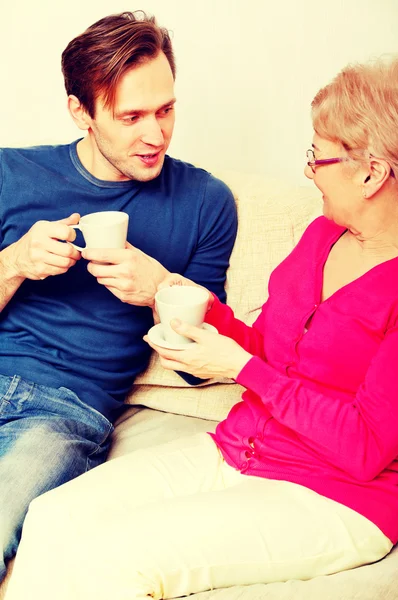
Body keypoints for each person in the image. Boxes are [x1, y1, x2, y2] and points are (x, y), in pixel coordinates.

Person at [5, 55, 398, 600]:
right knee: (51, 518)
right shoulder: (322, 237)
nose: (309, 172)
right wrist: (170, 291)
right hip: (238, 446)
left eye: (319, 157)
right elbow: (267, 348)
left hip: (336, 493)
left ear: (372, 172)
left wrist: (240, 368)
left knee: (119, 561)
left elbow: (364, 444)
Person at [0, 10, 237, 594]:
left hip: (60, 412)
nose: (154, 134)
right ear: (81, 112)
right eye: (131, 117)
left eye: (165, 110)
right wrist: (13, 265)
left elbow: (199, 364)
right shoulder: (12, 174)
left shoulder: (206, 202)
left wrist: (162, 289)